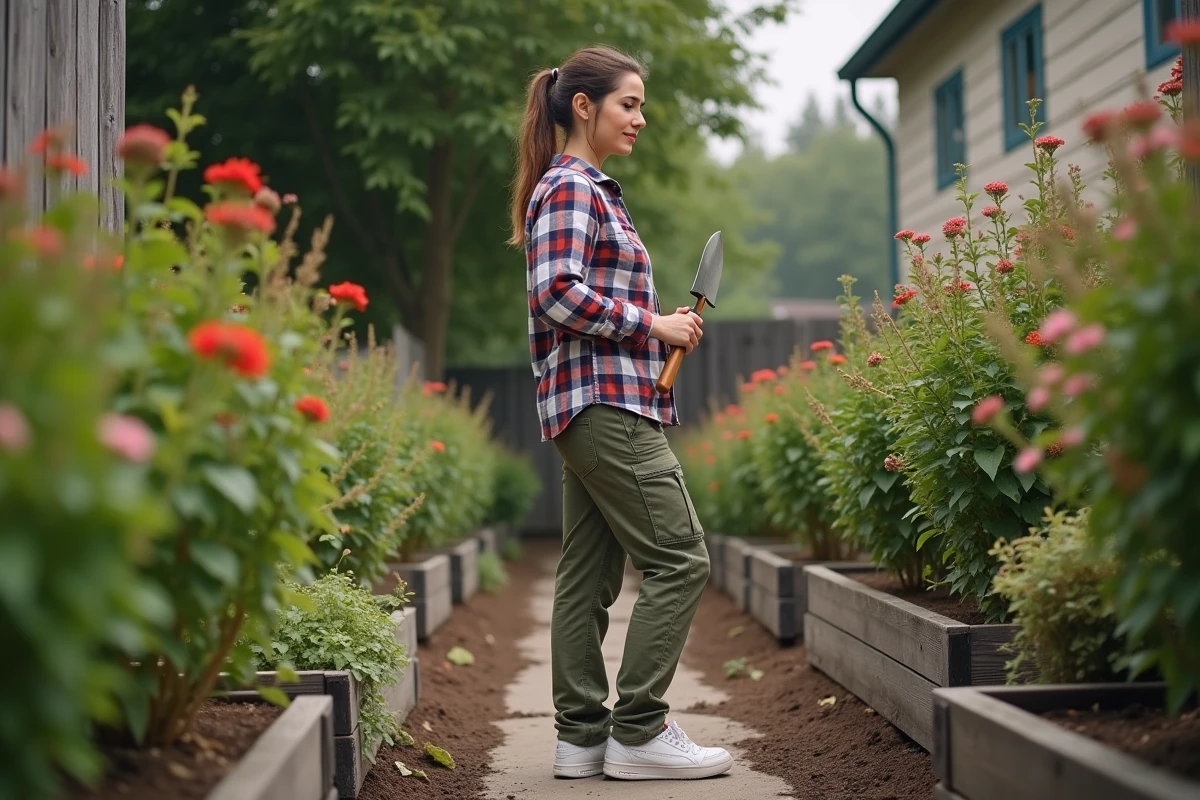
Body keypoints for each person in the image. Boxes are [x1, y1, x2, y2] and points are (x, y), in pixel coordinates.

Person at [508, 45, 731, 782]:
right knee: (681, 557)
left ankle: (581, 739)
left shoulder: (583, 188)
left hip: (594, 402)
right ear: (584, 105)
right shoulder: (573, 186)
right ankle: (638, 730)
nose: (640, 117)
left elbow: (577, 292)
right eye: (628, 103)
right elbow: (556, 294)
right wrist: (652, 325)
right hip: (606, 405)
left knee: (588, 574)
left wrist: (660, 322)